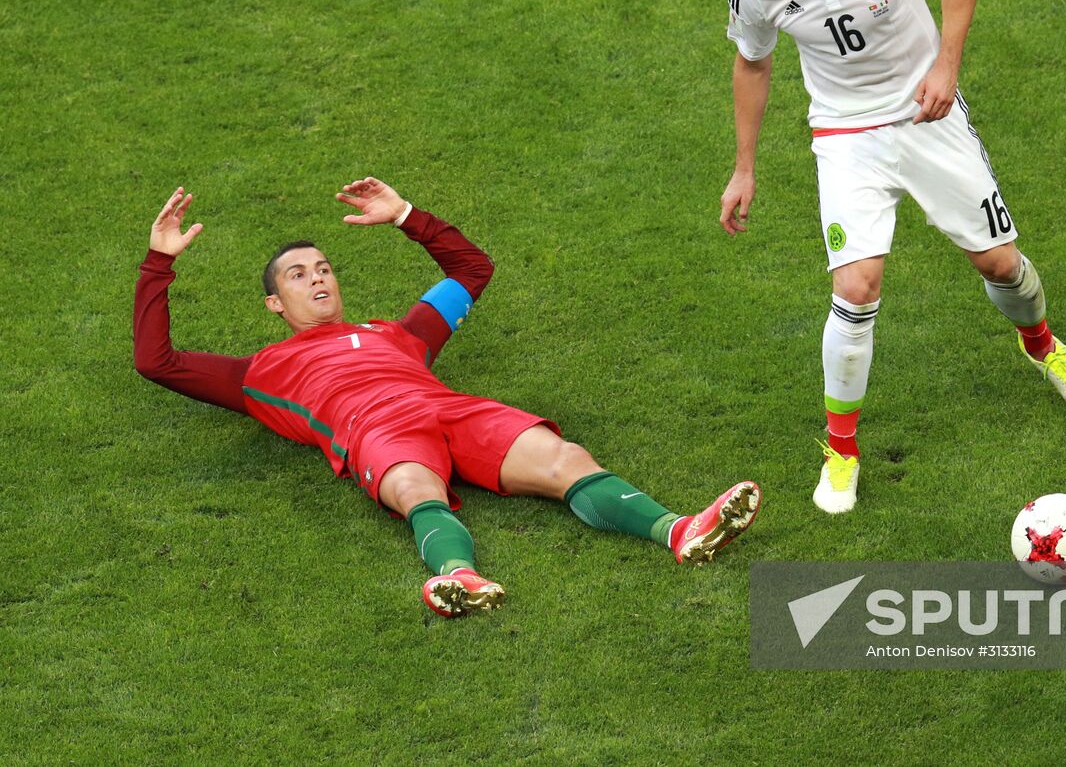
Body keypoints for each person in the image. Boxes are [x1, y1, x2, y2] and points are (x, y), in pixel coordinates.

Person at [134, 177, 761, 617]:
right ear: (276, 303)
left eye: (323, 267)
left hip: (449, 409)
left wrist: (407, 216)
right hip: (375, 432)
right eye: (298, 275)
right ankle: (457, 577)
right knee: (414, 489)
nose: (317, 278)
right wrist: (158, 264)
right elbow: (156, 362)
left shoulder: (399, 334)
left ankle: (679, 530)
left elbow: (471, 270)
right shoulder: (260, 372)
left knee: (565, 458)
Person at [721, 0, 1066, 514]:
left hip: (928, 114)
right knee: (855, 286)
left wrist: (946, 65)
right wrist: (744, 165)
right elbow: (753, 63)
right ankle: (842, 451)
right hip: (847, 136)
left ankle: (1043, 346)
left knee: (1000, 264)